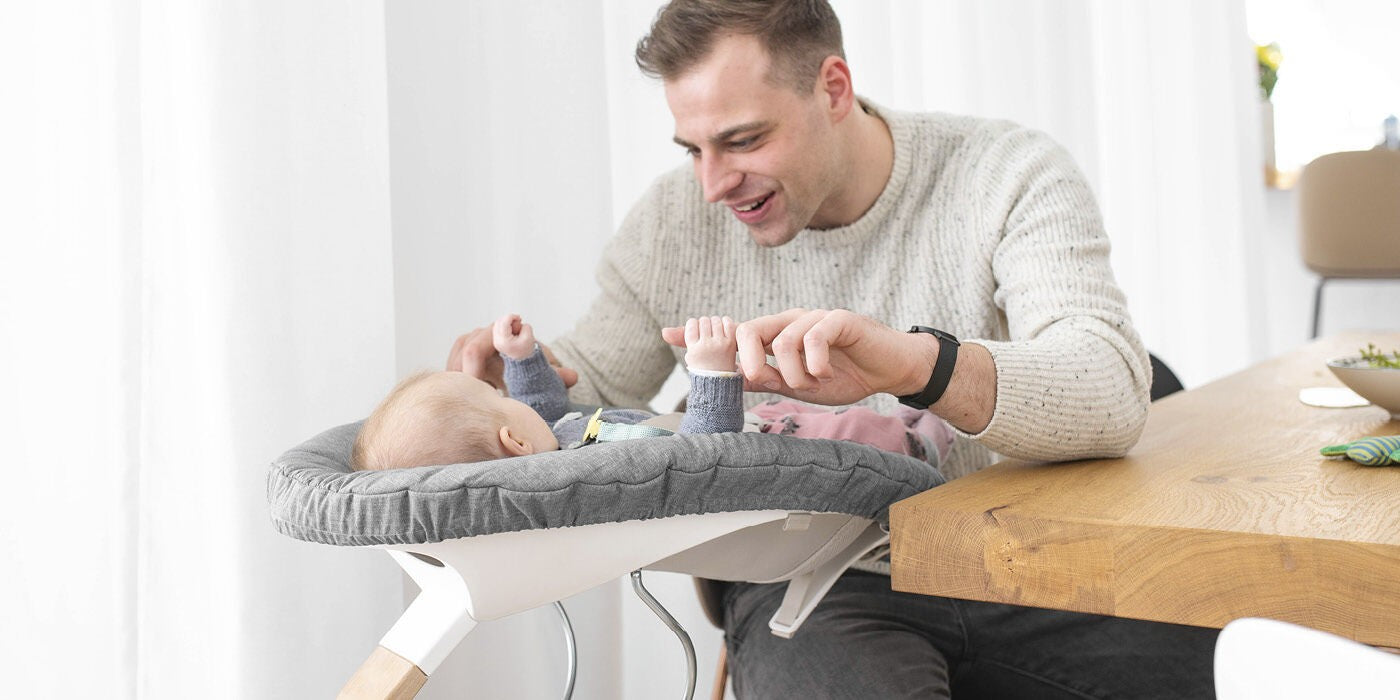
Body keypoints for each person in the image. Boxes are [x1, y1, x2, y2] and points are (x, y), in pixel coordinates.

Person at [446, 1, 1218, 697]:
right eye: (693, 149)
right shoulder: (672, 226)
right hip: (816, 581)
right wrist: (507, 392)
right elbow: (589, 391)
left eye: (742, 140)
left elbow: (1111, 387)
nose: (712, 184)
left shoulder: (1005, 173)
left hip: (1037, 558)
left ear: (834, 89)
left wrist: (914, 366)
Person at [359, 313, 954, 471]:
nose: (518, 397)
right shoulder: (597, 467)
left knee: (797, 412)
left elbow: (543, 407)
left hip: (765, 426)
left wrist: (523, 359)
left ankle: (916, 427)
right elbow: (696, 457)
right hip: (761, 446)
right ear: (513, 441)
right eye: (502, 398)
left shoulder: (553, 441)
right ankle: (925, 440)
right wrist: (712, 371)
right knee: (851, 434)